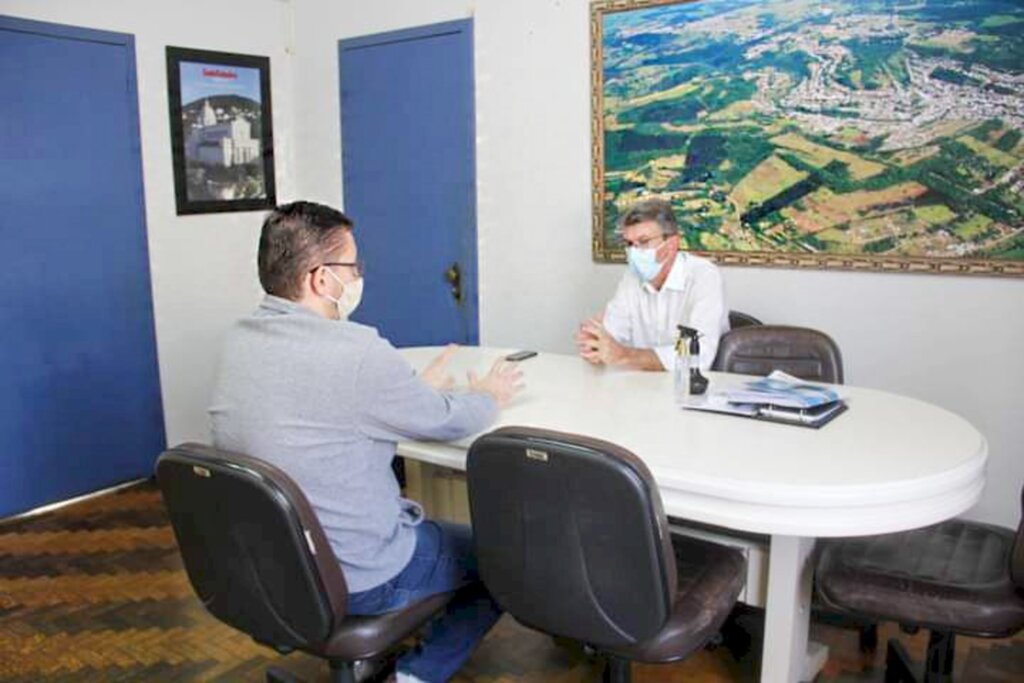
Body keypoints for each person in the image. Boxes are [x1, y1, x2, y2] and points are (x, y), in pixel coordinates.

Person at [209, 201, 522, 683]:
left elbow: (324, 410)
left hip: (272, 569)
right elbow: (446, 421)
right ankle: (415, 676)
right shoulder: (354, 351)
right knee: (503, 557)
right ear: (319, 278)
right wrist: (487, 394)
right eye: (352, 266)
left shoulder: (238, 341)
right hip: (359, 574)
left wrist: (408, 389)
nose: (358, 276)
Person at [575, 198, 728, 373]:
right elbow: (613, 332)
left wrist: (625, 355)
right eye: (629, 244)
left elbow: (698, 356)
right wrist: (595, 341)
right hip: (640, 387)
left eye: (644, 241)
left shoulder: (704, 276)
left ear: (671, 244)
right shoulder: (632, 278)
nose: (634, 252)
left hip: (692, 390)